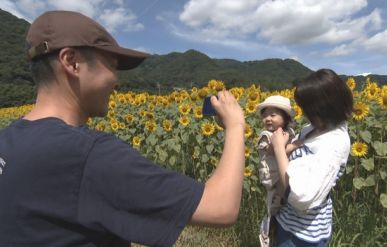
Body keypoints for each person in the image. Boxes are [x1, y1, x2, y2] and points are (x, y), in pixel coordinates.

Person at [0, 10, 245, 247]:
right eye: (112, 65)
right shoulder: (87, 155)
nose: (116, 81)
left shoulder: (7, 141)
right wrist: (235, 125)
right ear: (71, 62)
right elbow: (220, 208)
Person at [271, 69, 353, 247]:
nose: (304, 113)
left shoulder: (334, 145)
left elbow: (301, 196)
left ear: (324, 109)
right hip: (288, 218)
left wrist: (278, 148)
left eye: (307, 109)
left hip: (305, 232)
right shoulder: (313, 128)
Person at [255, 95, 297, 247]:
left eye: (273, 115)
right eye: (265, 115)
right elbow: (275, 150)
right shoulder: (265, 135)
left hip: (285, 173)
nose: (268, 119)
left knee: (283, 206)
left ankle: (279, 234)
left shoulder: (290, 132)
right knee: (273, 209)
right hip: (272, 178)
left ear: (285, 118)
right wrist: (296, 145)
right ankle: (266, 236)